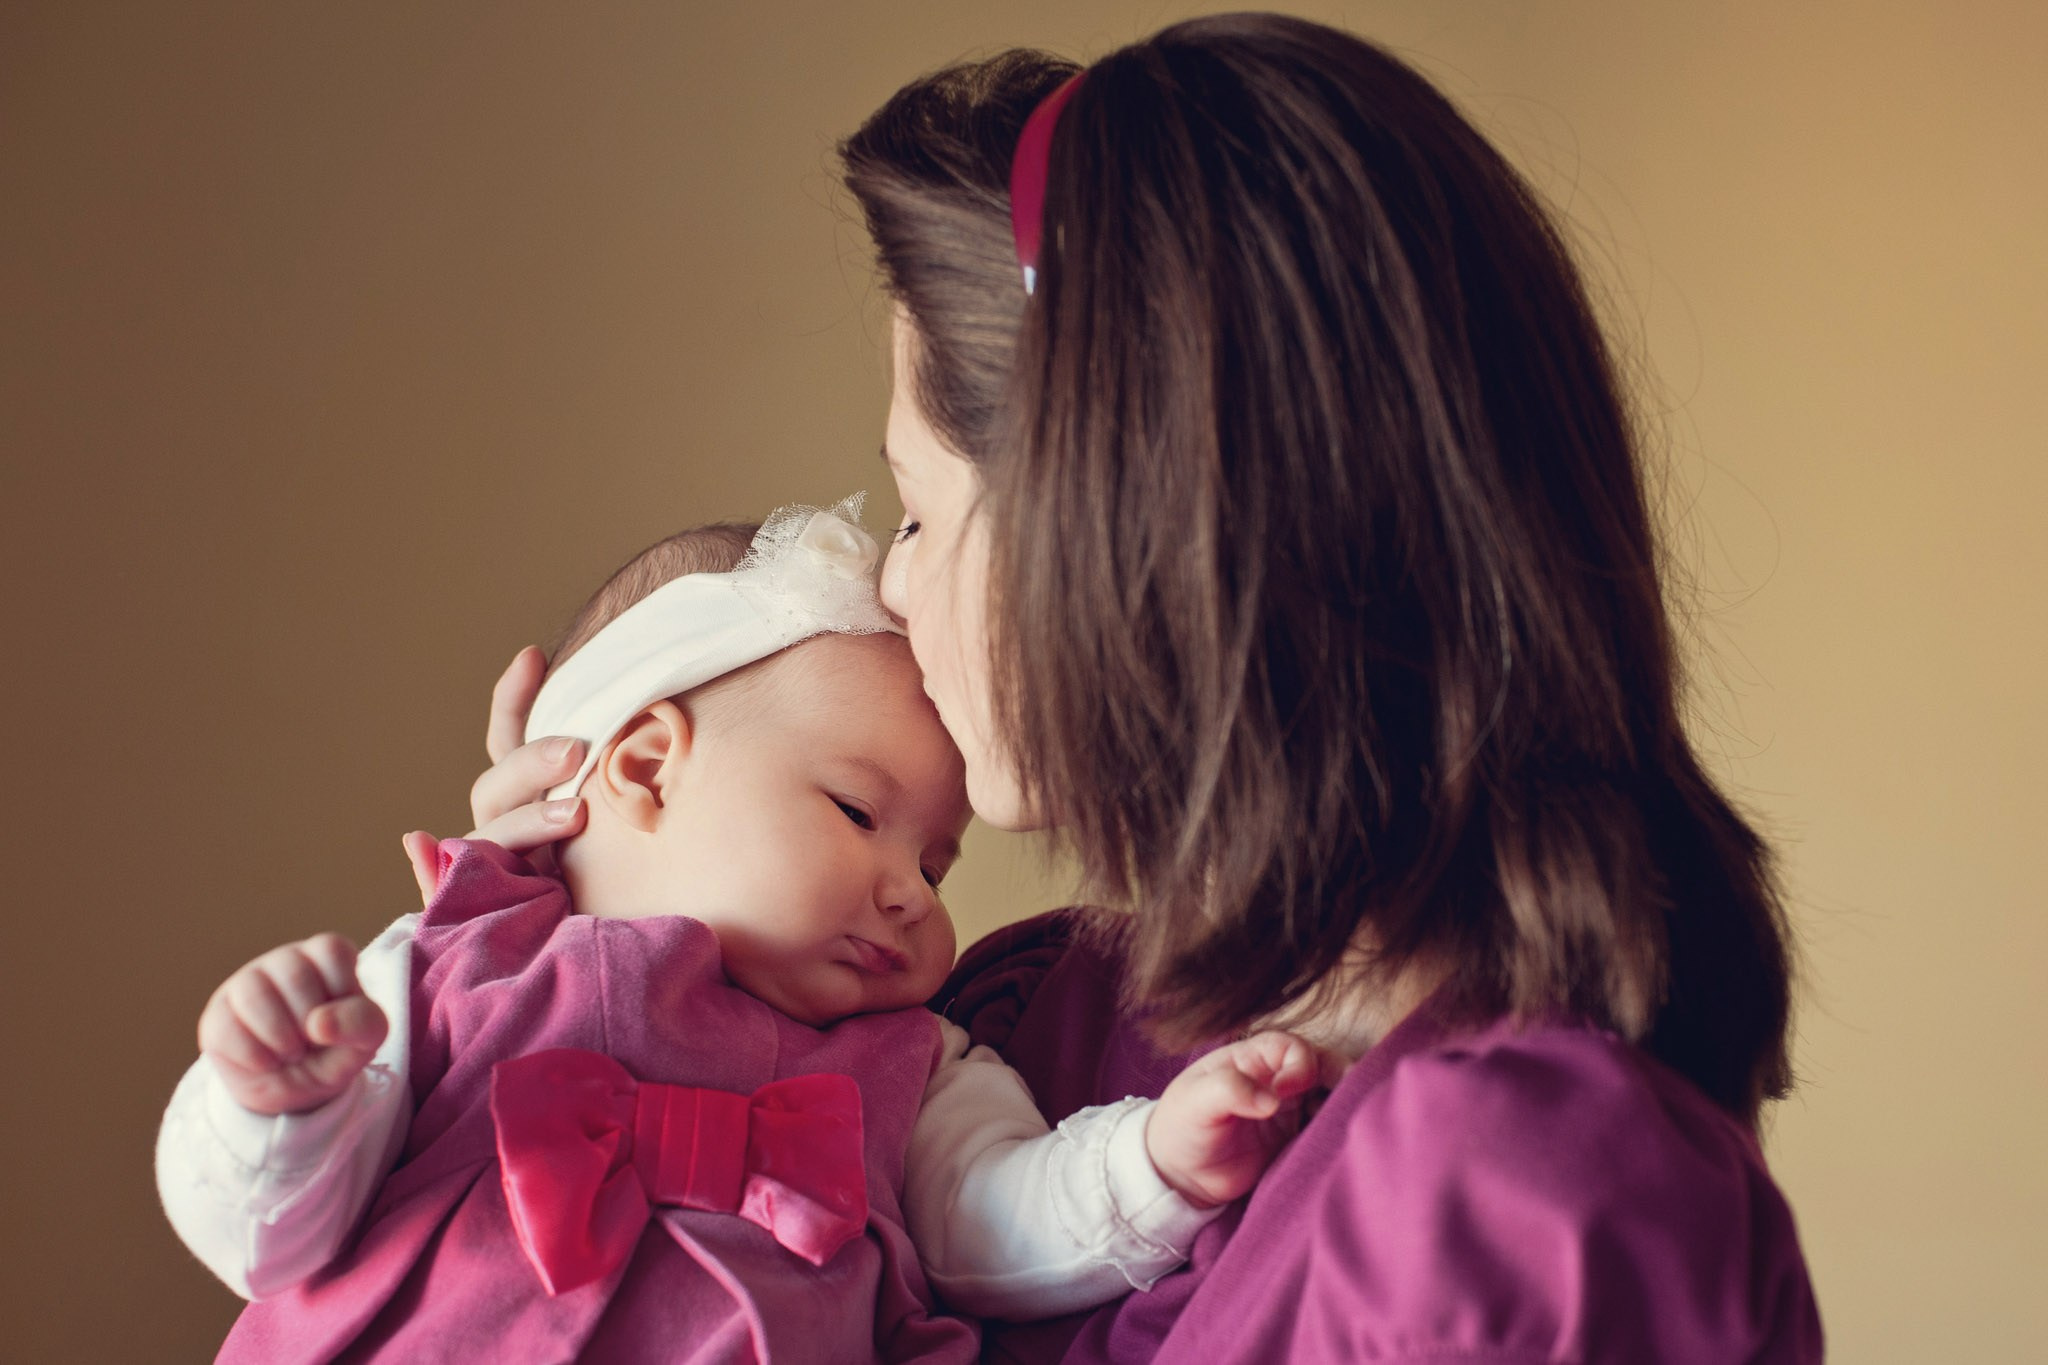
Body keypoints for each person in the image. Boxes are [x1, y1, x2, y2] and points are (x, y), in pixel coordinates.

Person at [469, 15, 1827, 1363]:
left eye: (923, 510)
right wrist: (570, 920)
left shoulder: (1529, 1205)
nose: (890, 587)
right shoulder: (1043, 1016)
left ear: (1121, 526)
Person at [157, 502, 1333, 1364]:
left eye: (934, 861)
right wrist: (273, 1105)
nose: (911, 893)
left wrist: (1155, 1163)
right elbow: (266, 1240)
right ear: (648, 765)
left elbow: (991, 1215)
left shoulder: (919, 1061)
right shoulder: (460, 965)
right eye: (857, 813)